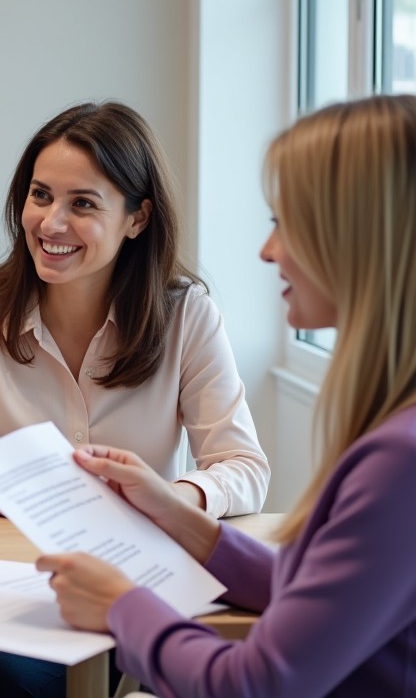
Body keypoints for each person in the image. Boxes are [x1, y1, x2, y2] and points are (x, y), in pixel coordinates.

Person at [40, 93, 416, 696]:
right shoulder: (396, 436)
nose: (268, 251)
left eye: (286, 224)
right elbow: (311, 597)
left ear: (362, 240)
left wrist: (122, 606)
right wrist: (174, 512)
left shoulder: (400, 462)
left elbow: (255, 683)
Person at [0, 101, 271, 696]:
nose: (51, 223)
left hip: (143, 589)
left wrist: (167, 499)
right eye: (40, 195)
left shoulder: (186, 316)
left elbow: (244, 467)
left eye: (83, 204)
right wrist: (48, 498)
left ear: (137, 219)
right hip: (21, 595)